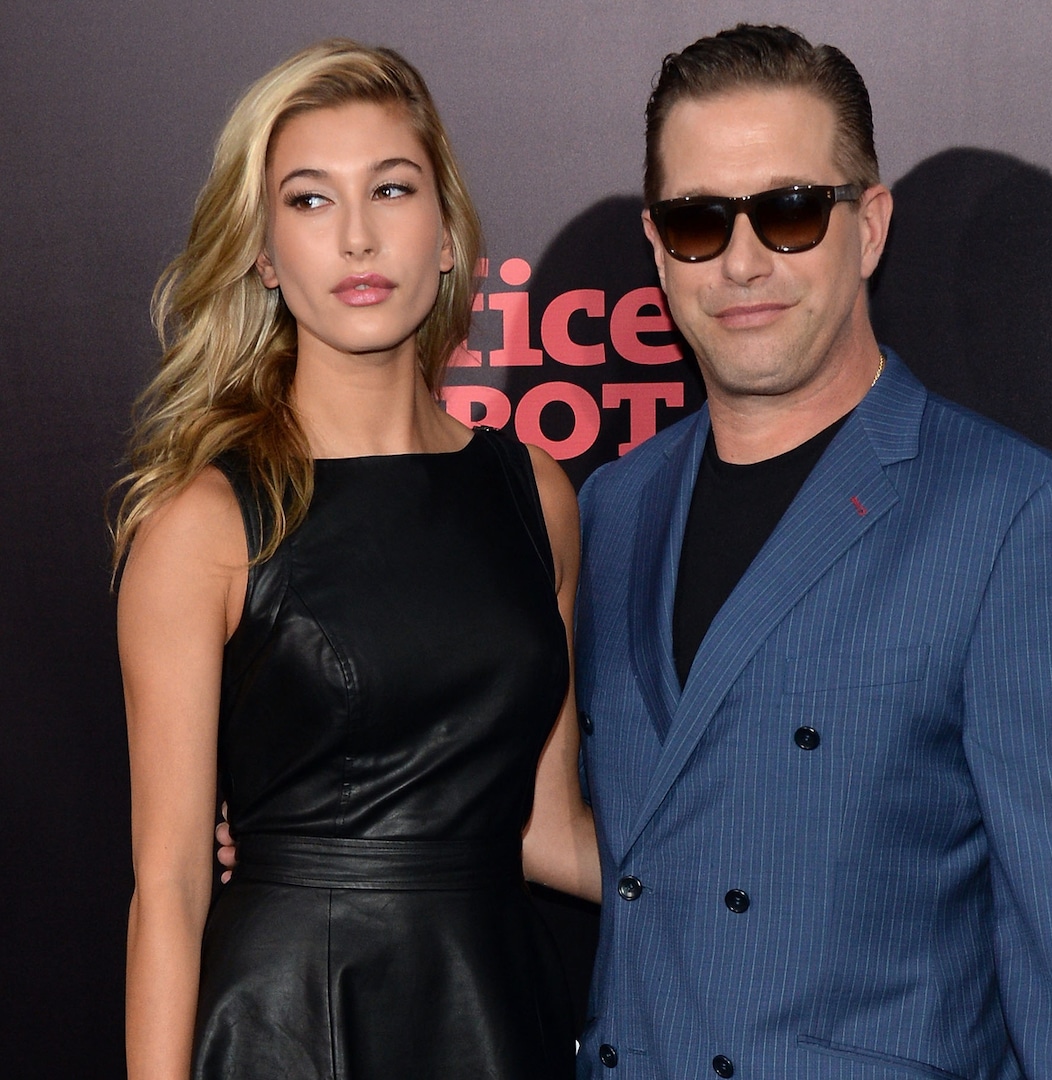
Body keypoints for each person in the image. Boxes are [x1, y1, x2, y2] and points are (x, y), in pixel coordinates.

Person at [574, 24, 1052, 1079]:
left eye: (793, 211)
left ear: (870, 227)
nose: (744, 262)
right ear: (659, 248)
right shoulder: (614, 508)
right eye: (700, 221)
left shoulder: (1009, 518)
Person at [115, 39, 598, 1080]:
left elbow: (546, 828)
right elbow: (171, 889)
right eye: (310, 200)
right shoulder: (206, 523)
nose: (358, 236)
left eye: (391, 188)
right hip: (289, 1022)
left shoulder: (536, 495)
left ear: (445, 234)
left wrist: (767, 884)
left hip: (494, 1010)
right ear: (262, 254)